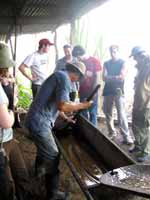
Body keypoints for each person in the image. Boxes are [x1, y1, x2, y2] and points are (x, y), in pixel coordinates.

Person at [25, 61, 92, 200]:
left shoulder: (58, 75)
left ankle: (39, 171)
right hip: (39, 122)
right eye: (79, 78)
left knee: (44, 148)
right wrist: (83, 105)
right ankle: (53, 194)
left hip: (35, 119)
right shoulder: (64, 79)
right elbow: (63, 105)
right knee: (53, 155)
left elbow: (57, 105)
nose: (77, 81)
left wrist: (66, 119)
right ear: (76, 74)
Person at [0, 43, 32, 200]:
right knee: (7, 185)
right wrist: (11, 113)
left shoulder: (2, 84)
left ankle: (24, 195)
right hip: (2, 142)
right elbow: (6, 122)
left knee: (21, 174)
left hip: (8, 138)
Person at [102, 45, 133, 145]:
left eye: (115, 51)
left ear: (118, 52)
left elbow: (121, 77)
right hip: (108, 91)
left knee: (121, 114)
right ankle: (112, 132)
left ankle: (126, 136)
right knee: (108, 113)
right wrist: (115, 77)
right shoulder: (106, 63)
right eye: (111, 51)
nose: (113, 53)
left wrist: (110, 77)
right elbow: (103, 77)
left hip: (119, 91)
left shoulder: (123, 62)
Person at [129, 46, 150, 162]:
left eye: (136, 57)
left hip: (147, 104)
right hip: (138, 101)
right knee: (136, 124)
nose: (135, 60)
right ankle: (138, 145)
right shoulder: (140, 68)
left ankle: (146, 151)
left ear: (141, 55)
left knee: (145, 128)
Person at [72, 45, 102, 126]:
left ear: (80, 54)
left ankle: (93, 132)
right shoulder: (79, 63)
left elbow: (98, 77)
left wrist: (94, 92)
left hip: (92, 91)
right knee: (83, 112)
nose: (78, 59)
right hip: (82, 91)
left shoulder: (94, 61)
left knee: (93, 113)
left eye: (78, 57)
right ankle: (84, 130)